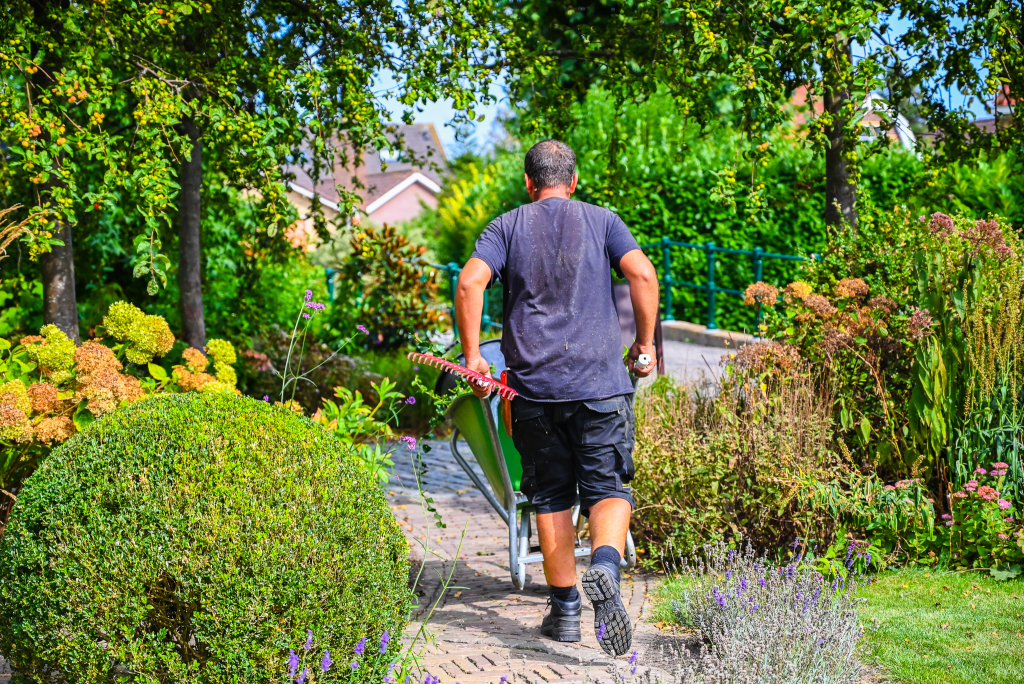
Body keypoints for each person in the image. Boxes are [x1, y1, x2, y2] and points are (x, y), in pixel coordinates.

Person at [454, 139, 659, 657]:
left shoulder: (505, 227)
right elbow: (643, 274)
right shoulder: (603, 221)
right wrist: (643, 345)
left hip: (534, 391)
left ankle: (565, 611)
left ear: (529, 182)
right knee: (607, 486)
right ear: (573, 181)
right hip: (600, 386)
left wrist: (475, 356)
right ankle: (606, 568)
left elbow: (469, 283)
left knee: (549, 497)